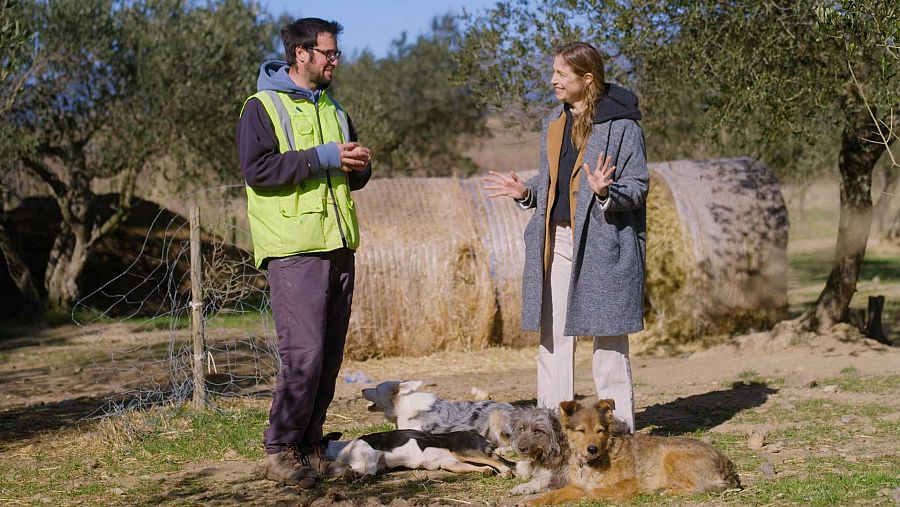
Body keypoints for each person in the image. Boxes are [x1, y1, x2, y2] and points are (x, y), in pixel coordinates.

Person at [482, 42, 647, 432]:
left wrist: (608, 192)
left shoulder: (623, 127)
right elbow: (557, 183)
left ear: (586, 80)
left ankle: (617, 428)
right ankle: (550, 427)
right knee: (552, 339)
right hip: (555, 242)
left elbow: (638, 185)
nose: (553, 80)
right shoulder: (553, 124)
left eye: (561, 74)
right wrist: (528, 192)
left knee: (608, 342)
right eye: (553, 72)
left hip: (604, 245)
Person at [236, 17, 372, 487]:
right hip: (294, 249)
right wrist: (326, 157)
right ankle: (280, 449)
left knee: (329, 355)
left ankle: (312, 446)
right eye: (328, 52)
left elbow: (344, 170)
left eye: (336, 52)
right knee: (305, 354)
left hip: (338, 245)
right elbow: (258, 170)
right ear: (301, 54)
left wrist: (358, 165)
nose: (336, 60)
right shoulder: (261, 107)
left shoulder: (334, 108)